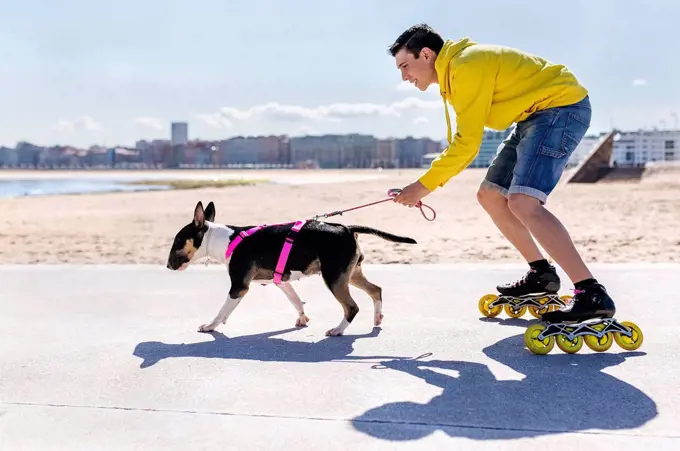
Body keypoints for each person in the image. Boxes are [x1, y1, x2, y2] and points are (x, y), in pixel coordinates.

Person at [388, 23, 615, 323]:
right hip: (532, 116)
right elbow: (467, 140)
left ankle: (591, 293)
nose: (404, 77)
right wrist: (422, 185)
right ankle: (542, 275)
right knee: (491, 196)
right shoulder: (455, 72)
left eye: (405, 66)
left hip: (560, 108)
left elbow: (467, 144)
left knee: (523, 202)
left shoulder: (466, 66)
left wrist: (422, 186)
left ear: (426, 54)